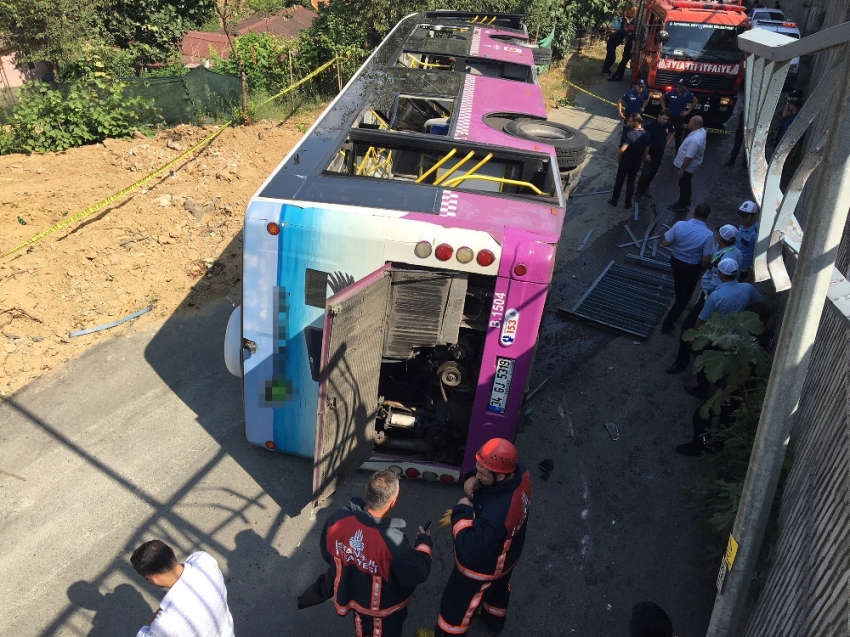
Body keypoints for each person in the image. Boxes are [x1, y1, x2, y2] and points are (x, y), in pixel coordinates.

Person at [299, 470, 432, 637]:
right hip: (383, 611)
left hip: (356, 602)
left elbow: (328, 554)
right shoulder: (393, 541)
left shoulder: (338, 519)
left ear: (368, 493)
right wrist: (424, 543)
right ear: (392, 503)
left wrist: (355, 559)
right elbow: (416, 572)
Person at [435, 438, 532, 637]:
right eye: (477, 468)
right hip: (508, 555)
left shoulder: (497, 515)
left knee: (455, 610)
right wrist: (473, 477)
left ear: (501, 477)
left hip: (483, 570)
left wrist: (461, 513)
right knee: (497, 593)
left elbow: (468, 551)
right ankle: (494, 624)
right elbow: (487, 477)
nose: (478, 473)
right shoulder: (520, 472)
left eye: (482, 473)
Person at [675, 300, 772, 456]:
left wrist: (725, 392)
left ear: (759, 322)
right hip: (743, 388)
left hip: (736, 388)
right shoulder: (766, 335)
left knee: (701, 415)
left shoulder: (754, 342)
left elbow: (744, 368)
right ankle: (716, 446)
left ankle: (700, 445)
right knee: (726, 420)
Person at [665, 224, 742, 374]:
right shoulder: (735, 252)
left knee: (688, 328)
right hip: (715, 293)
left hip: (711, 296)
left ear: (719, 237)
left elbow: (716, 279)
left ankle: (682, 362)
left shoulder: (724, 259)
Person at [130, 540, 235, 637]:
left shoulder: (166, 622)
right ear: (172, 551)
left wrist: (161, 610)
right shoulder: (205, 561)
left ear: (152, 579)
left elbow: (143, 634)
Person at [660, 202, 715, 334]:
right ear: (707, 217)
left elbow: (665, 242)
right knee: (685, 297)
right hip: (691, 267)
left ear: (693, 213)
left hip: (676, 261)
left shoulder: (680, 225)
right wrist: (703, 269)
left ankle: (677, 302)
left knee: (678, 283)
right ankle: (668, 323)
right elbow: (706, 258)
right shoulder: (708, 235)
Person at [609, 113, 651, 209]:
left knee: (619, 181)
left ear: (636, 123)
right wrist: (644, 159)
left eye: (631, 121)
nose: (629, 123)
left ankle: (614, 200)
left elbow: (623, 148)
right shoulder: (647, 134)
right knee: (631, 182)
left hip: (626, 161)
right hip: (637, 162)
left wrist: (618, 155)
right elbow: (646, 149)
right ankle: (628, 203)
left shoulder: (630, 134)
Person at [668, 115, 707, 213]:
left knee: (683, 183)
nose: (688, 123)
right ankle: (687, 200)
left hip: (687, 167)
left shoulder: (695, 140)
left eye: (690, 122)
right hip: (692, 165)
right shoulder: (701, 131)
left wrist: (682, 169)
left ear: (694, 125)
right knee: (687, 183)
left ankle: (682, 203)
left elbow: (689, 156)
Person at [635, 108, 675, 200]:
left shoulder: (667, 125)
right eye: (664, 118)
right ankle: (639, 192)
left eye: (667, 119)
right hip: (650, 153)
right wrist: (646, 154)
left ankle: (646, 188)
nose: (665, 121)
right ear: (659, 116)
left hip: (660, 153)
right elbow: (643, 139)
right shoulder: (650, 126)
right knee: (645, 173)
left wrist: (669, 142)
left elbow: (673, 131)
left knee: (653, 172)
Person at [663, 79, 699, 150]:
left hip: (679, 118)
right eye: (677, 86)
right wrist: (664, 109)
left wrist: (688, 111)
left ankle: (677, 153)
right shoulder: (672, 92)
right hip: (670, 117)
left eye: (680, 87)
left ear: (684, 87)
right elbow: (662, 98)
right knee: (664, 133)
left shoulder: (687, 94)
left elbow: (695, 100)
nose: (678, 88)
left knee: (678, 137)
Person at [617, 79, 648, 144]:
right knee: (626, 133)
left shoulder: (644, 94)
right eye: (639, 86)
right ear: (636, 86)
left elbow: (646, 100)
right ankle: (622, 148)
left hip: (638, 117)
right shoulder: (629, 93)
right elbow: (620, 101)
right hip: (629, 117)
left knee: (636, 133)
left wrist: (643, 107)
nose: (641, 88)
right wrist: (620, 113)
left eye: (642, 87)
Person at [735, 200, 760, 281]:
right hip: (734, 264)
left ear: (754, 216)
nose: (741, 218)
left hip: (743, 271)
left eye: (745, 216)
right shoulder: (743, 226)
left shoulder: (756, 234)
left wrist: (750, 277)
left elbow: (758, 257)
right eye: (740, 215)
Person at [724, 88, 746, 167]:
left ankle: (745, 162)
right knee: (738, 142)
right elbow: (741, 104)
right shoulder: (749, 95)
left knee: (748, 144)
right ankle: (732, 159)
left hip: (752, 123)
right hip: (743, 121)